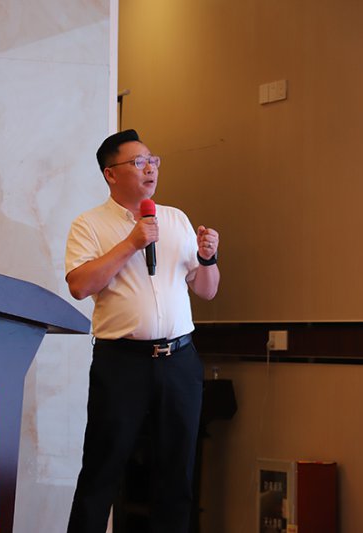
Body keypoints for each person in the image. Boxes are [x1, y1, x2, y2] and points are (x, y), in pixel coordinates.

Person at [64, 129, 220, 532]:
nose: (150, 168)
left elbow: (206, 290)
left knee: (177, 472)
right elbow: (80, 285)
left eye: (153, 160)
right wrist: (132, 243)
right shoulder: (89, 224)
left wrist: (208, 258)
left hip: (179, 361)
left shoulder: (176, 218)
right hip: (122, 363)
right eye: (138, 162)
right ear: (110, 174)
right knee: (102, 467)